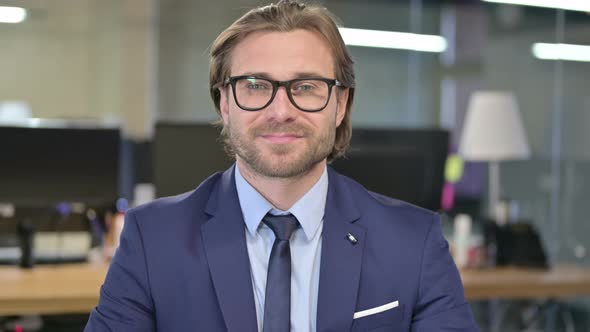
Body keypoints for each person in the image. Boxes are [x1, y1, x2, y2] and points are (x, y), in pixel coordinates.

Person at [85, 1, 479, 331]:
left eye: (306, 87)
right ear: (224, 103)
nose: (281, 111)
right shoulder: (152, 240)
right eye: (256, 85)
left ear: (340, 105)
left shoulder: (414, 243)